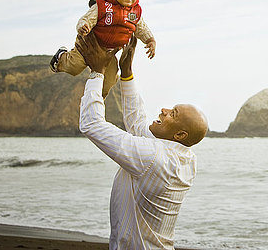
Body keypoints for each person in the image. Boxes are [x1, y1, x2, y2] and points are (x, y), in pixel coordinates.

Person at [76, 32, 208, 250]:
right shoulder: (184, 157)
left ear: (180, 135)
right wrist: (126, 74)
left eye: (172, 113)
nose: (163, 110)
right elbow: (138, 125)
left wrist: (97, 73)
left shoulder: (154, 157)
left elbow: (91, 124)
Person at [50, 0, 156, 98]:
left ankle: (97, 101)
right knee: (74, 67)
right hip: (89, 45)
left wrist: (150, 40)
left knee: (109, 81)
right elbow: (86, 19)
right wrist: (84, 27)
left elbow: (141, 28)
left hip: (110, 52)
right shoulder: (102, 6)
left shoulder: (134, 12)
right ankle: (60, 58)